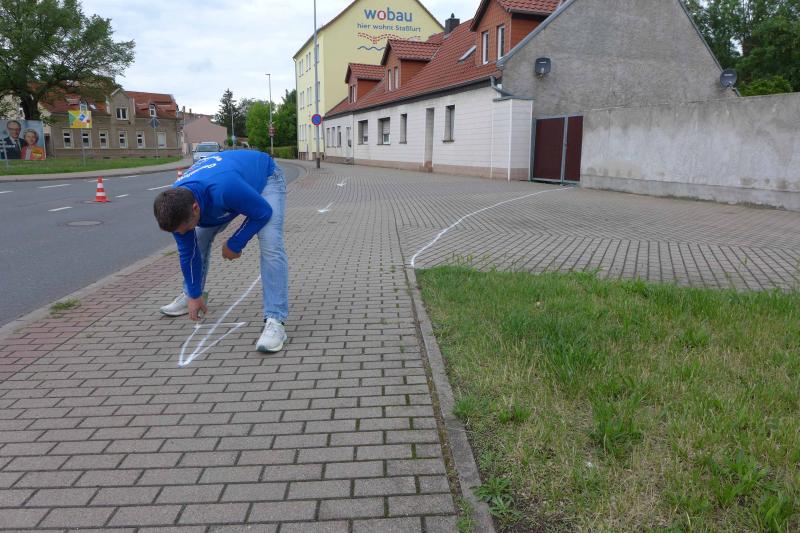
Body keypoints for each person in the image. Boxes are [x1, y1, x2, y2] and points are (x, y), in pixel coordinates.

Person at [153, 150, 289, 352]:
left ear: (196, 208)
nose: (183, 234)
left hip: (265, 178)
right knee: (198, 239)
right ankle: (191, 295)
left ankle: (275, 321)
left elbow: (262, 212)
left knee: (271, 244)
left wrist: (235, 243)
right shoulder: (176, 205)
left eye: (186, 228)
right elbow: (188, 254)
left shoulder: (224, 189)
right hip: (230, 186)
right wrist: (194, 294)